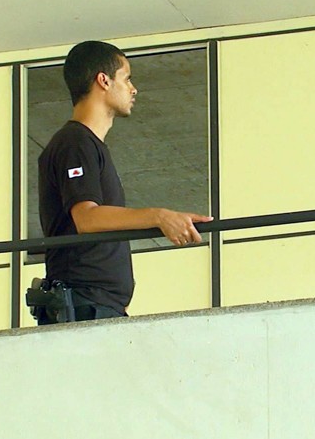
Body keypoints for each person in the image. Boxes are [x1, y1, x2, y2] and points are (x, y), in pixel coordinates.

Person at [36, 40, 212, 323]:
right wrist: (160, 216)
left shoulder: (87, 144)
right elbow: (87, 219)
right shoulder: (75, 143)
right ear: (103, 81)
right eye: (126, 78)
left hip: (96, 305)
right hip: (84, 304)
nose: (133, 88)